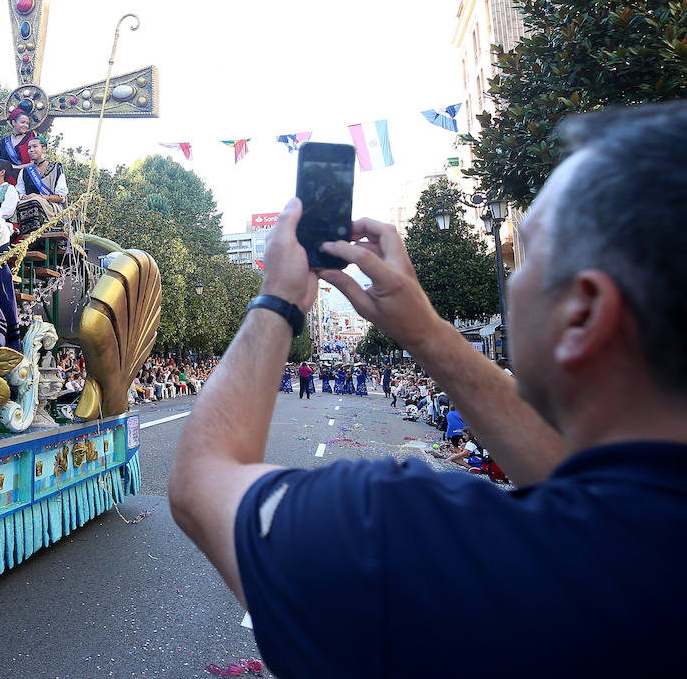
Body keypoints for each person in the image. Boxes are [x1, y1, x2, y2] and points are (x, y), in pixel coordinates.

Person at [170, 101, 687, 676]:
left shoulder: (394, 539)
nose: (512, 281)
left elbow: (201, 480)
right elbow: (578, 480)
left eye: (530, 258)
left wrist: (278, 303)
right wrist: (424, 331)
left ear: (584, 312)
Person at [16, 135, 68, 217]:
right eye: (29, 148)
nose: (31, 150)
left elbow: (61, 197)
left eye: (35, 146)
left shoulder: (56, 168)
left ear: (44, 149)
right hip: (29, 211)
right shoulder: (24, 171)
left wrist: (40, 197)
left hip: (52, 210)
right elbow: (20, 194)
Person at [0, 108, 36, 177]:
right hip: (4, 180)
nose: (25, 125)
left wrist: (17, 167)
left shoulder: (31, 139)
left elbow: (36, 162)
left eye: (27, 123)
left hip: (26, 178)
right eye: (22, 122)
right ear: (14, 122)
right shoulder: (2, 143)